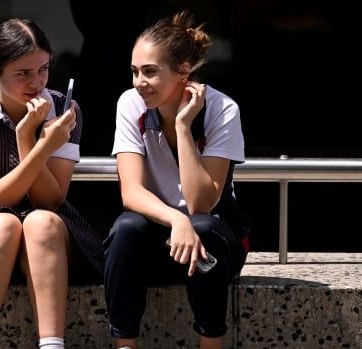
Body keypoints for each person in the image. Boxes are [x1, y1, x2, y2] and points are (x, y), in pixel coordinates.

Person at [0, 18, 104, 349]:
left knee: (41, 223)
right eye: (23, 73)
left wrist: (29, 141)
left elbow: (51, 200)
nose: (37, 82)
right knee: (3, 225)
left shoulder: (64, 110)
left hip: (47, 229)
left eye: (43, 69)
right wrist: (37, 141)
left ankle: (53, 344)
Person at [103, 11, 250, 349]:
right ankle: (125, 346)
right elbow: (131, 192)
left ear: (184, 71)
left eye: (150, 72)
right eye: (135, 71)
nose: (139, 82)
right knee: (126, 229)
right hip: (160, 234)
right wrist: (174, 220)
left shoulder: (221, 110)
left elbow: (202, 204)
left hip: (213, 240)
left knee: (201, 226)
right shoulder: (130, 104)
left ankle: (210, 345)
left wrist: (184, 127)